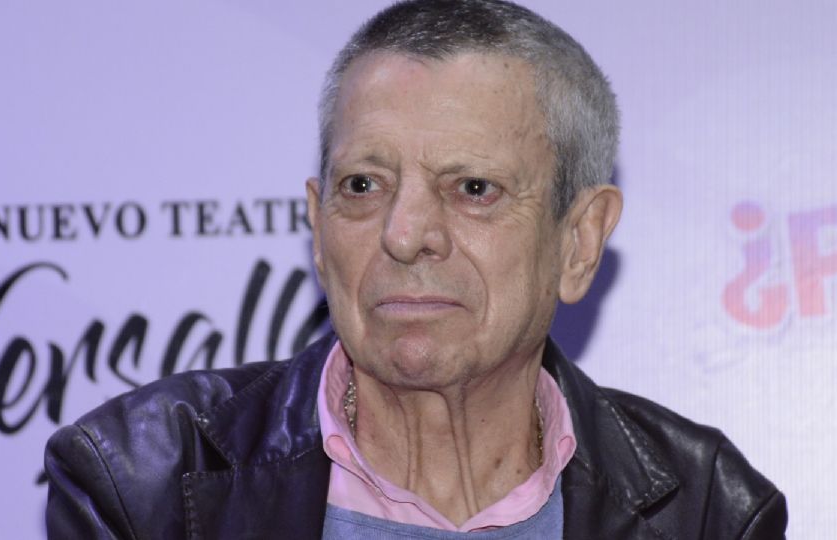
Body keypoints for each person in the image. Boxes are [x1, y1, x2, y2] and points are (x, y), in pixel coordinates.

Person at [45, 0, 787, 538]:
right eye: (363, 185)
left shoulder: (704, 510)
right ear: (318, 227)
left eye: (473, 188)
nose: (404, 236)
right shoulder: (144, 485)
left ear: (579, 241)